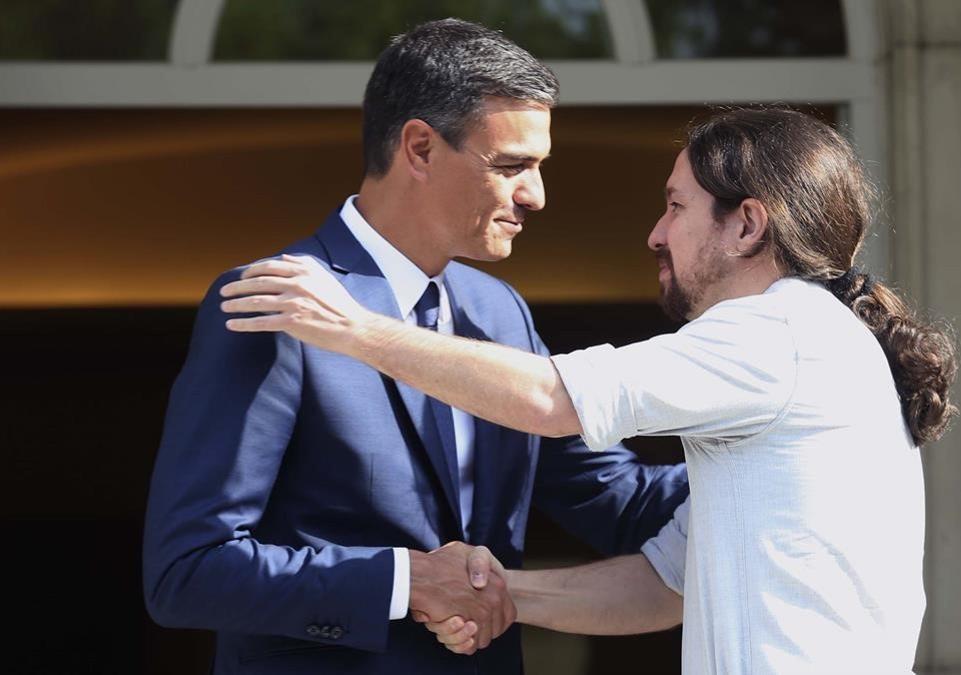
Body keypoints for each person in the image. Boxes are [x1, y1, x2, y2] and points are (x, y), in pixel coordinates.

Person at [220, 107, 959, 674]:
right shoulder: (804, 347)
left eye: (676, 206)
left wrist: (355, 330)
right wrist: (494, 590)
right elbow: (660, 588)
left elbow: (552, 399)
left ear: (747, 225)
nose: (655, 234)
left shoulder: (780, 332)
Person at [142, 18, 687, 675]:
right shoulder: (276, 303)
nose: (536, 196)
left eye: (539, 167)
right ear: (421, 149)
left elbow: (617, 499)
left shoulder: (499, 310)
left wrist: (786, 452)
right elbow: (189, 570)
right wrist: (405, 580)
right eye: (513, 165)